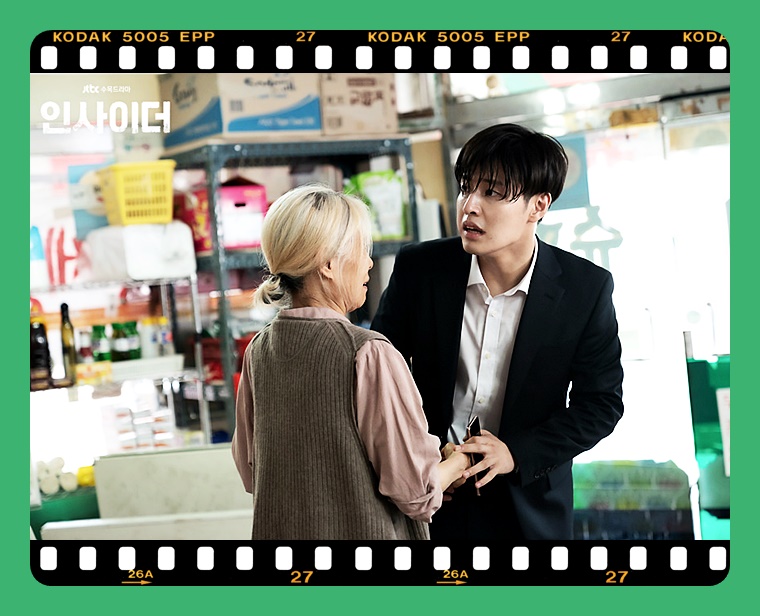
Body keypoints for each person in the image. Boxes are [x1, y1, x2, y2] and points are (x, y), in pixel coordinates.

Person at [371, 123, 624, 541]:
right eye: (466, 188)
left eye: (492, 192)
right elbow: (381, 378)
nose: (469, 206)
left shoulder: (585, 289)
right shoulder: (421, 270)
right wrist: (422, 456)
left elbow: (600, 404)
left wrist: (514, 454)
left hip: (527, 505)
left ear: (538, 205)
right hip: (428, 496)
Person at [230, 184, 469, 540]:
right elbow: (417, 492)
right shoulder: (368, 354)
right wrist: (459, 462)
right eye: (362, 250)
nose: (369, 263)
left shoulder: (258, 351)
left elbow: (251, 472)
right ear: (328, 264)